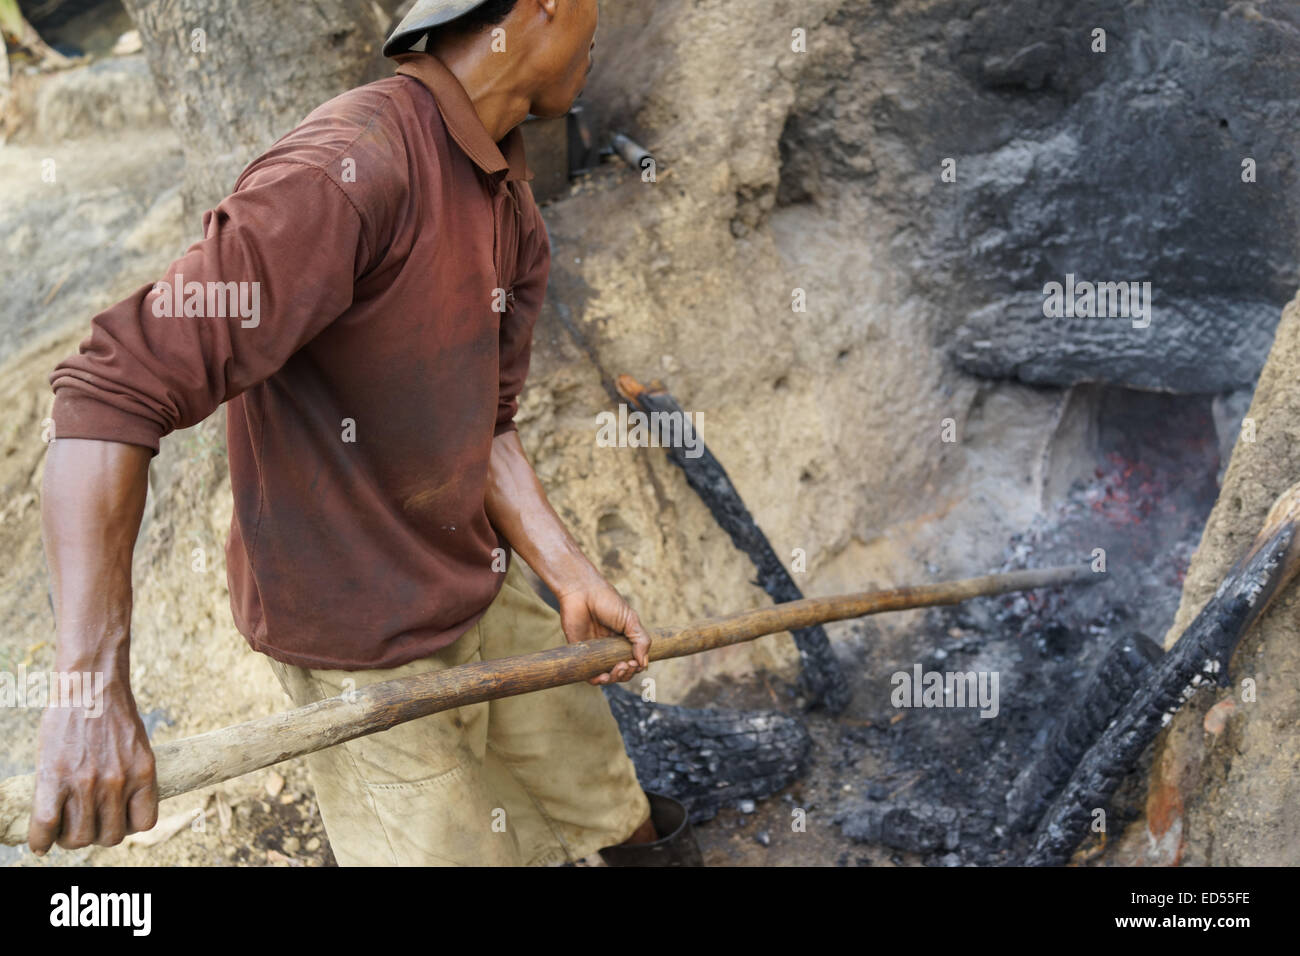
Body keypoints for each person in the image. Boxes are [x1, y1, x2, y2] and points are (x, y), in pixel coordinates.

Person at [31, 0, 674, 866]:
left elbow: (487, 426)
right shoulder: (349, 167)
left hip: (478, 587)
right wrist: (87, 691)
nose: (604, 28)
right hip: (357, 646)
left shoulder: (509, 203)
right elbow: (110, 395)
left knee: (610, 805)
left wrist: (567, 572)